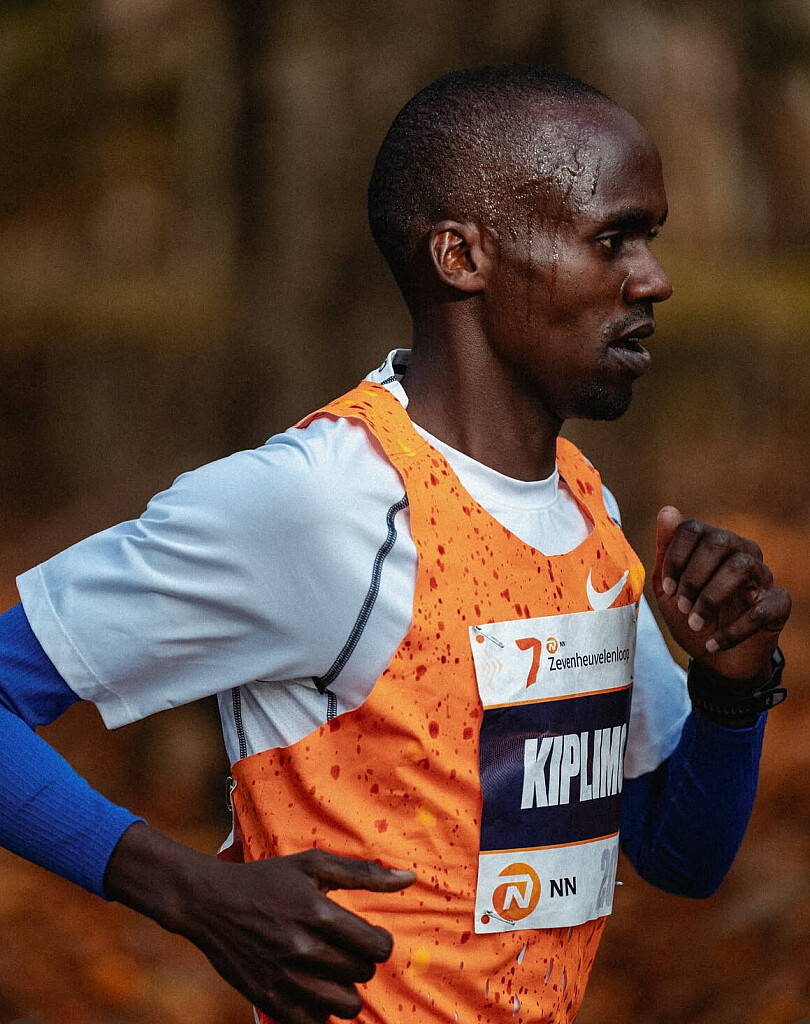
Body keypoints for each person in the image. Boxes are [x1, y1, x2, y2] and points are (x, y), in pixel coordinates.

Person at [0, 65, 791, 1024]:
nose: (654, 278)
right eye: (611, 238)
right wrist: (188, 891)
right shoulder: (322, 504)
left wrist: (733, 687)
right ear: (462, 256)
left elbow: (678, 852)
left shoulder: (584, 504)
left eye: (650, 238)